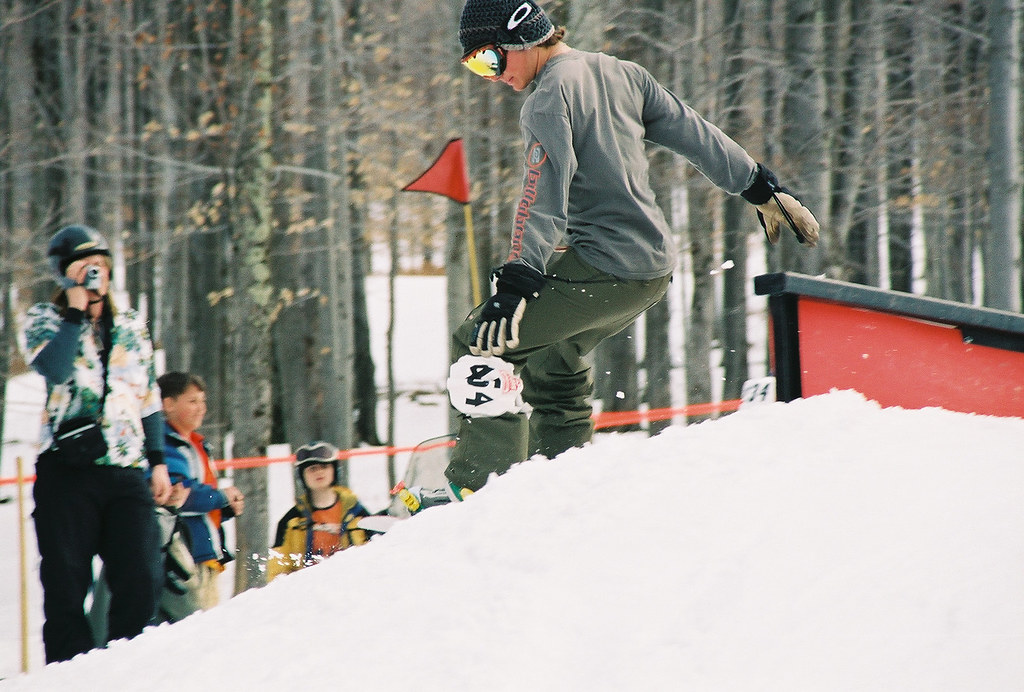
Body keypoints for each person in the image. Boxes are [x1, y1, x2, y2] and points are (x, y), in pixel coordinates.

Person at [439, 0, 819, 499]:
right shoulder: (623, 74)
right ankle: (559, 479)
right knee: (554, 358)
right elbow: (695, 133)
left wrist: (517, 278)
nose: (489, 76)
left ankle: (482, 490)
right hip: (650, 270)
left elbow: (541, 195)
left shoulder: (548, 98)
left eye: (489, 60)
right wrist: (760, 188)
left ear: (522, 40)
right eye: (474, 67)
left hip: (606, 267)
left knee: (481, 341)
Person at [20, 224, 171, 663]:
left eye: (101, 266)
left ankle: (128, 666)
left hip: (125, 468)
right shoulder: (43, 319)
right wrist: (73, 313)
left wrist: (158, 462)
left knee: (142, 573)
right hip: (67, 470)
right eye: (85, 267)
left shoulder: (129, 325)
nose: (95, 275)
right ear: (65, 274)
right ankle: (71, 674)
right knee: (66, 581)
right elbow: (55, 369)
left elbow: (148, 397)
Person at [158, 371, 244, 612]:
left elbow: (201, 500)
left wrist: (225, 507)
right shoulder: (167, 444)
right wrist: (221, 497)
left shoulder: (197, 443)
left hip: (205, 554)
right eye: (193, 401)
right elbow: (179, 496)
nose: (201, 408)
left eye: (203, 401)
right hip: (183, 557)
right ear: (168, 404)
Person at [267, 441, 370, 582]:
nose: (319, 472)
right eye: (312, 469)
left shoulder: (358, 513)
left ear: (334, 470)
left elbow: (374, 558)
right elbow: (277, 573)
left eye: (324, 467)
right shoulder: (290, 522)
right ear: (302, 476)